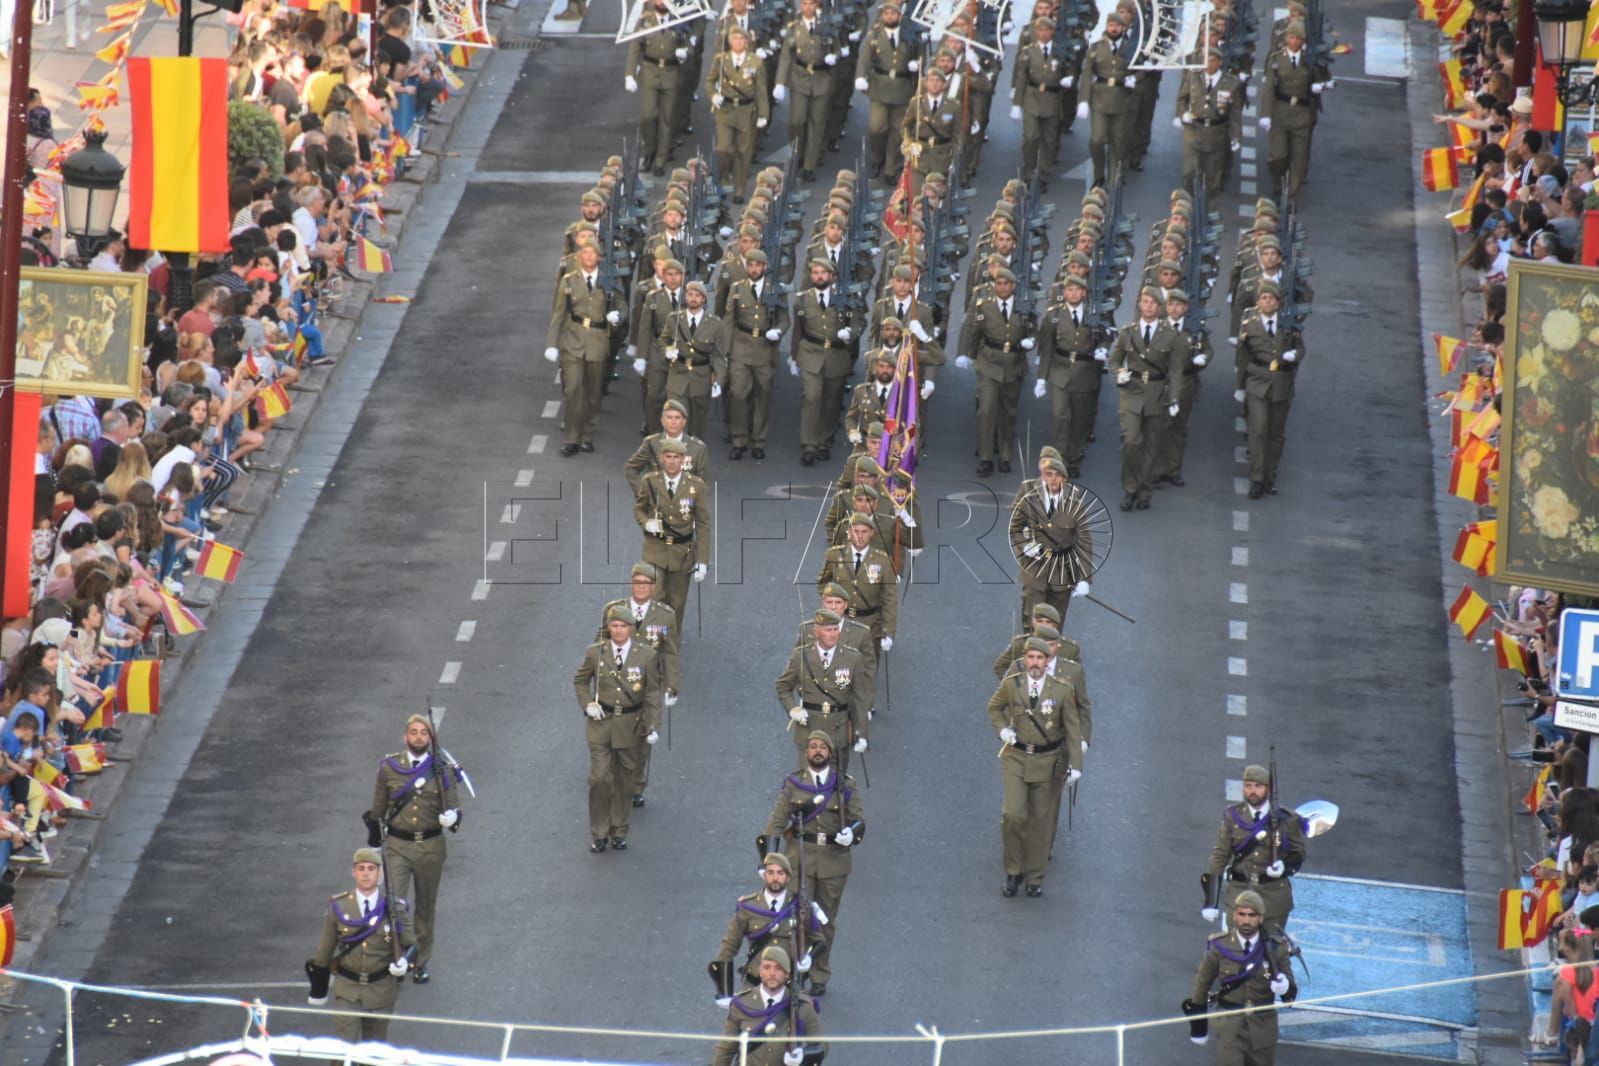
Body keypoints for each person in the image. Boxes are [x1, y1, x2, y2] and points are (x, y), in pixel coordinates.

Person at [761, 732, 864, 996]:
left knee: (825, 921)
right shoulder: (795, 783)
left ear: (830, 753)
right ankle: (796, 970)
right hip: (799, 860)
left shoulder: (843, 785)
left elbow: (858, 819)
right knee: (797, 918)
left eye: (822, 747)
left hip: (833, 862)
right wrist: (770, 858)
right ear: (807, 752)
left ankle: (820, 973)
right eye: (813, 746)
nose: (817, 751)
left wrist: (851, 833)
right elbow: (777, 820)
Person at [364, 715, 460, 984]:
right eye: (414, 733)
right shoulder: (389, 767)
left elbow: (453, 806)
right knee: (395, 904)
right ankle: (399, 956)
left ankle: (420, 961)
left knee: (425, 907)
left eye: (424, 733)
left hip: (431, 846)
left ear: (430, 739)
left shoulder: (441, 768)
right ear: (406, 737)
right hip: (398, 845)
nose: (418, 737)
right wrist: (373, 837)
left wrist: (451, 817)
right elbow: (378, 808)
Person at [987, 638, 1084, 897]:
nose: (1034, 663)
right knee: (1013, 815)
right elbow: (994, 707)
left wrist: (1076, 764)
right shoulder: (1012, 684)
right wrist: (1002, 730)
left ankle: (1034, 876)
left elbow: (1072, 728)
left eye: (1040, 658)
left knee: (1040, 821)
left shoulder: (1061, 690)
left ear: (1048, 660)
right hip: (1016, 757)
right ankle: (1013, 870)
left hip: (1047, 759)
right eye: (1030, 657)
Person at [573, 605, 663, 853]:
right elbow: (580, 680)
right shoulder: (596, 653)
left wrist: (653, 724)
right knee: (599, 779)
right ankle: (599, 832)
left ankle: (619, 831)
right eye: (614, 626)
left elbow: (653, 693)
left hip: (631, 725)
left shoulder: (646, 655)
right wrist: (588, 703)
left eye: (623, 626)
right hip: (601, 723)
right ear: (608, 627)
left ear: (631, 629)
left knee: (625, 781)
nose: (618, 631)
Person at [306, 848, 416, 1044]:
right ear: (353, 872)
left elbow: (411, 945)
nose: (366, 873)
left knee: (374, 1054)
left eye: (371, 869)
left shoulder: (394, 907)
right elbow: (325, 949)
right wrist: (318, 987)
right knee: (342, 1050)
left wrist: (405, 962)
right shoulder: (339, 906)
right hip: (348, 989)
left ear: (380, 873)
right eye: (361, 868)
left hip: (381, 990)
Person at [598, 562, 680, 808]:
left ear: (654, 587)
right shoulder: (614, 609)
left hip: (647, 684)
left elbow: (669, 652)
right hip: (615, 682)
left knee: (643, 736)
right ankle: (612, 777)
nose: (641, 587)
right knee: (611, 730)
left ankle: (635, 785)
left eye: (646, 584)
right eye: (637, 582)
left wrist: (672, 685)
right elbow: (600, 644)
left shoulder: (666, 615)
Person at [1200, 764, 1308, 932]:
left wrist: (1284, 866)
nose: (1252, 791)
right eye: (1248, 786)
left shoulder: (1286, 819)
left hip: (1273, 898)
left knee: (1272, 954)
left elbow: (1298, 853)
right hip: (1239, 896)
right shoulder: (1233, 817)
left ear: (1268, 789)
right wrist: (1210, 901)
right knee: (1236, 951)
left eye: (1258, 786)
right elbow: (1220, 856)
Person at [545, 243, 624, 457]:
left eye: (593, 253)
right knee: (572, 389)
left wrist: (616, 318)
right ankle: (571, 438)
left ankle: (587, 434)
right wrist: (552, 343)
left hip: (598, 340)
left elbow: (622, 307)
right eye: (585, 253)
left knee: (594, 392)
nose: (588, 256)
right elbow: (558, 313)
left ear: (599, 257)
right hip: (573, 338)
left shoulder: (608, 280)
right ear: (580, 256)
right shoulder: (569, 280)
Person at [957, 268, 1036, 477]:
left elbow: (1034, 328)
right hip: (989, 363)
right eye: (998, 283)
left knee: (1008, 412)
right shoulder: (985, 305)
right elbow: (972, 329)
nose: (1002, 287)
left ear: (1013, 286)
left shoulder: (1024, 306)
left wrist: (1032, 340)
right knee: (986, 409)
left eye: (1006, 284)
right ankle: (985, 458)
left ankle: (1005, 455)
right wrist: (965, 354)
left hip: (1014, 363)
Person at [713, 853, 826, 993]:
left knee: (805, 1014)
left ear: (788, 877)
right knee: (740, 1014)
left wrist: (809, 957)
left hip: (790, 985)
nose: (775, 878)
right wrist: (725, 992)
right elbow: (729, 946)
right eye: (770, 872)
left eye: (780, 873)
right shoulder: (748, 907)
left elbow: (819, 940)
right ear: (764, 875)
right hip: (755, 982)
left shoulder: (801, 907)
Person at [1109, 287, 1179, 511]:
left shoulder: (1170, 335)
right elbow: (1115, 359)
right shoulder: (1128, 332)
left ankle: (1144, 490)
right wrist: (1119, 372)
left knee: (1150, 445)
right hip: (1131, 390)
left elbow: (1175, 370)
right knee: (1131, 441)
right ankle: (1130, 487)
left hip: (1156, 393)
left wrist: (1174, 398)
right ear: (1140, 305)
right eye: (1145, 302)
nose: (1148, 306)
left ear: (1160, 308)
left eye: (1153, 303)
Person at [1234, 280, 1304, 499]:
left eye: (1272, 298)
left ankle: (1269, 477)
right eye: (1264, 298)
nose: (1267, 301)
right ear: (1258, 301)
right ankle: (1256, 478)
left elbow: (1300, 348)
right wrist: (1239, 386)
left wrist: (1295, 356)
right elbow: (1243, 355)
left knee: (1275, 434)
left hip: (1281, 382)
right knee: (1258, 429)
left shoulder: (1288, 323)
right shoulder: (1250, 323)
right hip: (1257, 380)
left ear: (1278, 303)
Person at [1034, 274, 1107, 479]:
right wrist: (1041, 378)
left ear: (1084, 293)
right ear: (1064, 292)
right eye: (1069, 290)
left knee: (1079, 420)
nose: (1073, 293)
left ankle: (1074, 458)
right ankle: (1058, 460)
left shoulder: (1094, 315)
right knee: (1059, 416)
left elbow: (1107, 336)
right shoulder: (1054, 316)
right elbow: (1046, 348)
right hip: (1060, 370)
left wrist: (1103, 349)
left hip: (1085, 371)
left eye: (1077, 290)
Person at [790, 258, 862, 466]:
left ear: (832, 276)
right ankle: (809, 445)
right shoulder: (802, 300)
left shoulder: (845, 299)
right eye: (815, 272)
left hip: (836, 356)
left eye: (823, 273)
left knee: (832, 401)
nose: (819, 276)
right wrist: (794, 357)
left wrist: (850, 332)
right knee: (811, 396)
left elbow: (858, 322)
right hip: (810, 353)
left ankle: (824, 442)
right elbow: (798, 330)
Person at [719, 248, 787, 460]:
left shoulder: (775, 290)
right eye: (751, 265)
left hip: (764, 347)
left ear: (765, 267)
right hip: (740, 345)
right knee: (738, 393)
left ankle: (758, 440)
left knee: (762, 395)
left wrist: (779, 331)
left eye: (758, 265)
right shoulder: (738, 289)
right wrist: (725, 350)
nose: (754, 269)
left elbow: (785, 318)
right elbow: (729, 320)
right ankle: (739, 438)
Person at [1008, 455, 1094, 620]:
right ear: (1043, 476)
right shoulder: (1030, 497)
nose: (1053, 479)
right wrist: (1026, 546)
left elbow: (1084, 541)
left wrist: (1084, 578)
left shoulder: (1074, 501)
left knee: (1054, 627)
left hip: (1062, 573)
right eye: (1049, 474)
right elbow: (1015, 528)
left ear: (1064, 478)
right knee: (1032, 623)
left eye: (1058, 475)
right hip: (1035, 571)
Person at [776, 608, 869, 762]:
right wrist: (792, 708)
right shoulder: (801, 656)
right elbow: (783, 686)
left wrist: (861, 733)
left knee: (836, 784)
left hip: (838, 732)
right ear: (816, 632)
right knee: (809, 784)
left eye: (835, 629)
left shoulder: (853, 658)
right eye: (827, 630)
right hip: (809, 732)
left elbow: (859, 698)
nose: (832, 634)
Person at [633, 438, 711, 620]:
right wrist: (646, 522)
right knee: (653, 598)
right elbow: (639, 508)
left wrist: (702, 561)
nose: (672, 461)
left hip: (682, 552)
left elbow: (703, 524)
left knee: (676, 603)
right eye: (668, 456)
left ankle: (670, 647)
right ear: (661, 458)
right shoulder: (650, 482)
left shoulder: (696, 486)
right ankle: (653, 645)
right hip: (655, 550)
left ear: (683, 459)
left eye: (676, 457)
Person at [710, 945, 825, 1066]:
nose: (772, 973)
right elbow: (726, 1048)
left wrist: (803, 1055)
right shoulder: (741, 1004)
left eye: (778, 968)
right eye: (767, 967)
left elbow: (821, 1046)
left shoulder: (803, 1006)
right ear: (760, 971)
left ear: (787, 973)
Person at [1259, 20, 1330, 201]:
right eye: (1291, 37)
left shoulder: (1310, 60)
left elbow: (1326, 79)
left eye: (1298, 38)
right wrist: (1265, 114)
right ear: (1286, 38)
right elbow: (1268, 88)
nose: (1295, 41)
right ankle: (1278, 183)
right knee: (1277, 156)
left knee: (1299, 159)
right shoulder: (1276, 59)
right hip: (1280, 112)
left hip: (1301, 113)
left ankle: (1290, 196)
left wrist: (1319, 86)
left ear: (1303, 40)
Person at [814, 513, 898, 657]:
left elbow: (890, 597)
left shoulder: (883, 560)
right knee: (840, 667)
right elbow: (823, 582)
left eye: (864, 531)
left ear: (872, 533)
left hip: (870, 624)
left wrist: (888, 632)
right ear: (849, 532)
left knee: (866, 667)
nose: (859, 536)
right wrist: (831, 604)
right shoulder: (834, 555)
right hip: (839, 621)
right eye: (855, 531)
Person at [774, 0, 840, 181]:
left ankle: (809, 165)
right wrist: (780, 81)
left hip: (821, 78)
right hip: (800, 77)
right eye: (804, 3)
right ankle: (798, 154)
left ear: (817, 5)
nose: (807, 7)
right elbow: (786, 55)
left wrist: (834, 56)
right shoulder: (794, 26)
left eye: (811, 3)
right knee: (796, 120)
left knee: (816, 122)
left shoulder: (828, 24)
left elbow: (838, 48)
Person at [1152, 288, 1212, 488]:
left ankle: (1174, 469)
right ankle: (1158, 469)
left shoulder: (1193, 329)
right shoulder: (1158, 327)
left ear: (1185, 308)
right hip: (1162, 381)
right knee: (1160, 425)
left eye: (1178, 305)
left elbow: (1208, 349)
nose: (1173, 308)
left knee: (1178, 427)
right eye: (1170, 304)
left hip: (1186, 382)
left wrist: (1203, 358)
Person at [623, 1, 692, 174]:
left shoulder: (678, 20)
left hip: (671, 71)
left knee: (666, 119)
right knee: (648, 115)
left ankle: (660, 160)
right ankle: (649, 152)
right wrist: (629, 74)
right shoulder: (645, 21)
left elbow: (690, 42)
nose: (662, 2)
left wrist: (685, 52)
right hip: (649, 71)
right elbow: (635, 47)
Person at [705, 25, 771, 200]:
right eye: (735, 39)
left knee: (743, 151)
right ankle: (724, 178)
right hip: (725, 109)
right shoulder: (721, 60)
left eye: (742, 39)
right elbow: (710, 81)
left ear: (747, 42)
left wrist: (764, 114)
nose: (738, 42)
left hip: (746, 110)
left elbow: (761, 90)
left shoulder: (756, 62)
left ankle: (739, 188)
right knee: (723, 149)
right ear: (729, 41)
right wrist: (713, 95)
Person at [856, 0, 917, 181]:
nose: (890, 17)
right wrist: (861, 76)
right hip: (879, 87)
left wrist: (918, 65)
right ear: (882, 16)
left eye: (893, 14)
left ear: (899, 16)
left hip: (902, 87)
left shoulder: (910, 36)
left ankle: (892, 168)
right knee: (877, 128)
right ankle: (877, 158)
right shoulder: (875, 36)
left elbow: (920, 55)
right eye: (886, 14)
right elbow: (864, 59)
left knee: (897, 131)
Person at [1080, 10, 1137, 187]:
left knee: (1118, 141)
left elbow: (1141, 67)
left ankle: (1115, 175)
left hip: (1122, 99)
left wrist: (1135, 78)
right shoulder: (1096, 47)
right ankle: (1099, 173)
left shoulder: (1130, 47)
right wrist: (1083, 100)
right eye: (1111, 25)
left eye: (1117, 26)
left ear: (1123, 28)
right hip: (1100, 99)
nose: (1114, 29)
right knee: (1096, 140)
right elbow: (1088, 73)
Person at [1012, 16, 1069, 190]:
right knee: (1030, 138)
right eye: (1041, 30)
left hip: (1052, 100)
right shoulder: (1028, 52)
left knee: (1049, 140)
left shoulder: (1060, 52)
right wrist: (1017, 103)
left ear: (1053, 32)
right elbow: (1021, 77)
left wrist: (1068, 78)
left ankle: (1044, 175)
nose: (1044, 33)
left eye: (1048, 30)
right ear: (1036, 32)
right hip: (1032, 98)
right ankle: (1029, 172)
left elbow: (1069, 70)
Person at [1175, 48, 1242, 195]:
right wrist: (1182, 114)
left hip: (1216, 133)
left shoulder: (1231, 83)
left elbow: (1235, 113)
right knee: (1189, 172)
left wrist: (1235, 136)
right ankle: (1189, 208)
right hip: (1194, 129)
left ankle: (1207, 211)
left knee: (1212, 179)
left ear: (1219, 62)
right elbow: (1182, 98)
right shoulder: (1194, 76)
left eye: (1212, 61)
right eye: (1205, 61)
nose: (1208, 65)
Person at [626, 399, 711, 491]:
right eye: (669, 417)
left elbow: (704, 482)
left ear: (684, 422)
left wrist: (693, 500)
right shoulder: (651, 443)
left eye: (677, 418)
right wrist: (644, 494)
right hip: (657, 503)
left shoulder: (698, 448)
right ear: (663, 421)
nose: (673, 422)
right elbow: (631, 468)